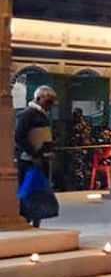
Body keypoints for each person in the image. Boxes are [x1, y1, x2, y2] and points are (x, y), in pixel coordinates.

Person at [15, 85, 57, 227]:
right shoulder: (28, 115)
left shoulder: (43, 116)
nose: (50, 106)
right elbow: (19, 136)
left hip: (42, 159)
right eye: (48, 101)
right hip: (29, 161)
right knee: (28, 191)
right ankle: (26, 218)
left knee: (40, 191)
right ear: (39, 99)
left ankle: (37, 219)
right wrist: (34, 153)